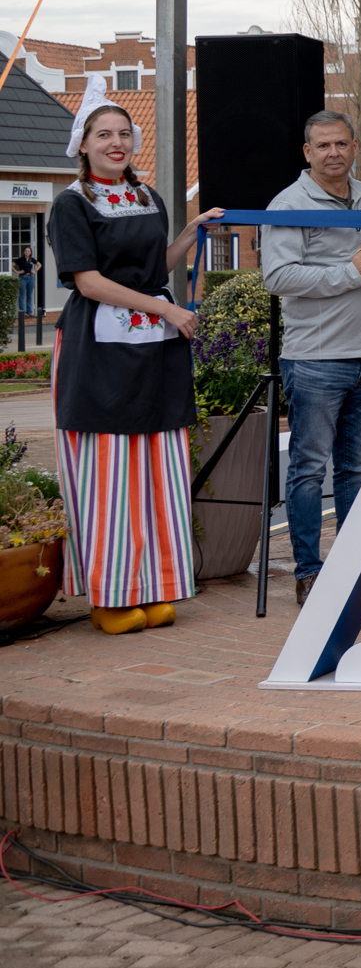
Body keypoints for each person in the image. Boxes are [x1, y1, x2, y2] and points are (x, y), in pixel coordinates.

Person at [48, 103, 219, 633]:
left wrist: (189, 233)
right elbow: (88, 282)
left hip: (154, 348)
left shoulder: (149, 197)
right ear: (83, 144)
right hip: (98, 351)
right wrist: (166, 308)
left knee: (155, 469)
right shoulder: (71, 204)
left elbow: (152, 269)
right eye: (104, 135)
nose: (115, 143)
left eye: (124, 133)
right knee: (108, 473)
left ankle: (152, 585)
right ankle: (109, 595)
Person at [261, 111, 361, 603]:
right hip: (316, 360)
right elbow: (278, 278)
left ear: (355, 147)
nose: (333, 152)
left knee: (357, 469)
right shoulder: (289, 204)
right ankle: (309, 570)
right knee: (309, 469)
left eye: (341, 144)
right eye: (323, 146)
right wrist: (349, 274)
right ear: (307, 152)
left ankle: (354, 565)